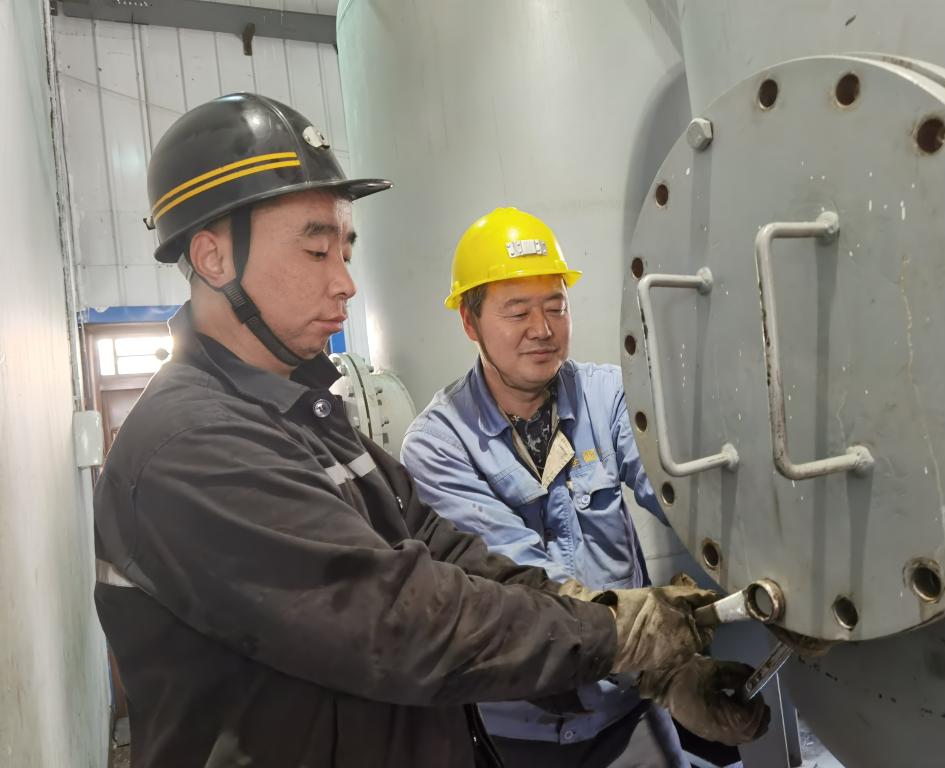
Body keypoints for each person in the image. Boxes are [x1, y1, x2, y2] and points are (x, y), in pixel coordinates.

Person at [92, 93, 769, 768]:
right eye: (317, 250)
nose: (346, 284)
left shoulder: (309, 420)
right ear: (214, 258)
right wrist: (618, 633)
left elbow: (453, 554)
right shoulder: (191, 447)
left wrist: (634, 632)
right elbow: (402, 622)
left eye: (346, 252)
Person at [401, 208, 720, 767]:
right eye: (518, 311)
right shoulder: (438, 444)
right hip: (517, 728)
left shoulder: (607, 396)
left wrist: (764, 567)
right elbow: (519, 580)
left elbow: (680, 492)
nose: (543, 329)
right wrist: (657, 655)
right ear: (470, 322)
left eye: (556, 306)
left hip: (627, 714)